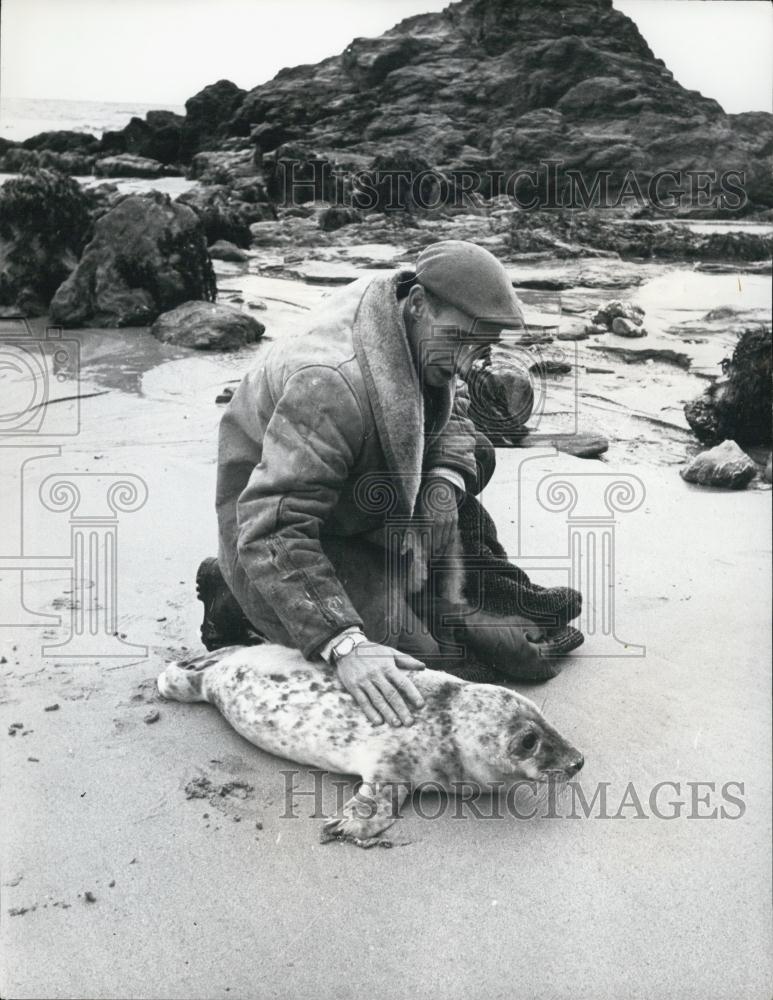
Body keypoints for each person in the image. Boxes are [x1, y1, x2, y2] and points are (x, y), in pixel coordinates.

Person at [198, 240, 581, 728]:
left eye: (481, 349)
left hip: (353, 493)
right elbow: (271, 528)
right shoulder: (329, 385)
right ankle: (231, 594)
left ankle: (469, 587)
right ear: (419, 303)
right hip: (275, 536)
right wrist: (344, 643)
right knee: (426, 665)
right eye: (461, 343)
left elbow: (454, 414)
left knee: (476, 457)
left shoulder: (417, 321)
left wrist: (442, 487)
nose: (465, 364)